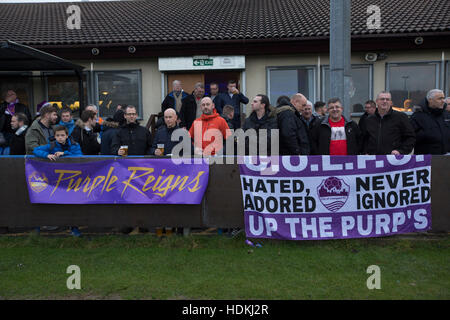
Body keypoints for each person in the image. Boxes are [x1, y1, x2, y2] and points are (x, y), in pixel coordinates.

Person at [33, 125, 82, 237]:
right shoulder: (51, 145)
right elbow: (36, 150)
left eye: (62, 135)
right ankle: (38, 227)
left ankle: (74, 228)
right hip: (54, 180)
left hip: (71, 180)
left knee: (72, 204)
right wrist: (47, 155)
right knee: (50, 202)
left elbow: (79, 155)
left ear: (67, 135)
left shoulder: (74, 144)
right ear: (54, 136)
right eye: (58, 136)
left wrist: (65, 154)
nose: (60, 138)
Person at [410, 89, 449, 155]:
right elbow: (410, 137)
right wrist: (427, 134)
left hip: (446, 157)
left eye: (443, 98)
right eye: (439, 99)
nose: (443, 101)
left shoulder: (446, 115)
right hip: (426, 159)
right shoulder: (417, 116)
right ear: (430, 100)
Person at [0, 89, 32, 154]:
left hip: (20, 133)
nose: (10, 96)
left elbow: (28, 119)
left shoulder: (23, 106)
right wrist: (6, 102)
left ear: (16, 96)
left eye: (12, 94)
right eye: (9, 95)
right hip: (5, 133)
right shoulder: (2, 106)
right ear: (5, 97)